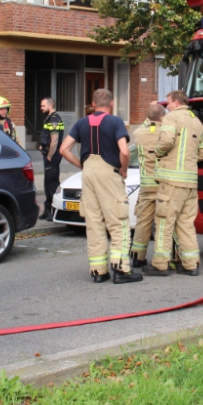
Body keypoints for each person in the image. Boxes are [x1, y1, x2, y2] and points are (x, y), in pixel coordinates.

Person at [60, 89, 142, 284]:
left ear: (93, 104)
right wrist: (123, 170)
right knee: (118, 221)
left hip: (88, 174)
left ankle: (98, 271)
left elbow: (64, 149)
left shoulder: (81, 122)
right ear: (111, 104)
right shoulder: (115, 122)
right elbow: (124, 151)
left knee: (94, 223)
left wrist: (83, 165)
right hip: (109, 174)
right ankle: (121, 270)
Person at [147, 90, 203, 277]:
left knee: (165, 222)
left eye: (168, 103)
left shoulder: (171, 118)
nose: (166, 106)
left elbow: (166, 141)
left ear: (174, 102)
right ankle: (191, 265)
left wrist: (157, 152)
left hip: (172, 181)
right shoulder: (198, 123)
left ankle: (160, 264)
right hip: (190, 182)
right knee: (186, 224)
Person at [129, 102, 166, 268]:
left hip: (145, 185)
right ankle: (162, 259)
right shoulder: (165, 133)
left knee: (143, 221)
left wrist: (151, 113)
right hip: (162, 184)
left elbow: (149, 121)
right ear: (162, 117)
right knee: (162, 223)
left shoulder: (139, 133)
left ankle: (138, 256)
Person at [37, 97, 64, 221]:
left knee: (52, 183)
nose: (41, 108)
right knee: (47, 183)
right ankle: (47, 210)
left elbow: (54, 139)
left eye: (43, 106)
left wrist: (49, 156)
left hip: (52, 156)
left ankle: (54, 211)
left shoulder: (54, 119)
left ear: (50, 106)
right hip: (49, 155)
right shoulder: (49, 118)